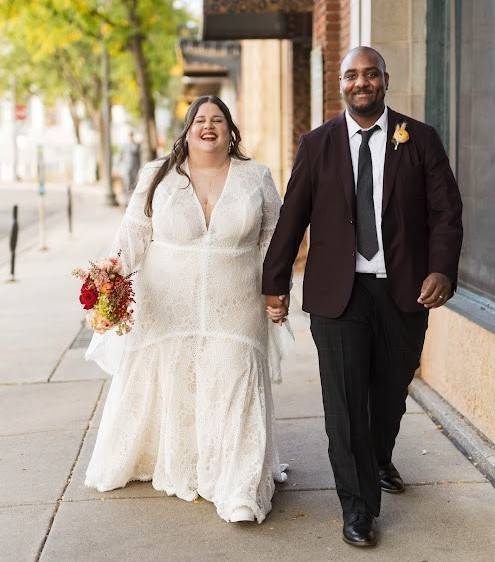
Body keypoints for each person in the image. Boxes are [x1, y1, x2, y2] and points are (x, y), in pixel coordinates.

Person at [262, 47, 463, 546]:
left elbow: (446, 213)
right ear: (341, 84)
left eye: (370, 74)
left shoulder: (420, 139)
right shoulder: (317, 144)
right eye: (351, 75)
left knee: (390, 392)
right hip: (338, 296)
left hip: (405, 291)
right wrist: (275, 282)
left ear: (384, 80)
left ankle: (376, 459)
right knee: (346, 403)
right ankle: (358, 508)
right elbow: (293, 217)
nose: (361, 83)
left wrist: (441, 269)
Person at [85, 95, 291, 523]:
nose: (208, 126)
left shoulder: (256, 177)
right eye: (200, 119)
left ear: (231, 131)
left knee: (233, 378)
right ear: (188, 128)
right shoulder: (158, 175)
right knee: (173, 379)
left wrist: (277, 289)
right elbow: (134, 233)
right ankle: (172, 460)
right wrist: (111, 274)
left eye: (218, 119)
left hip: (235, 304)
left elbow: (275, 238)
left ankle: (239, 487)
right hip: (168, 302)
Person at [120, 131, 141, 201]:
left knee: (134, 181)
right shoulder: (125, 145)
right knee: (127, 181)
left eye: (131, 136)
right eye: (129, 136)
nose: (130, 138)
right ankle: (126, 197)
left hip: (134, 166)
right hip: (126, 166)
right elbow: (121, 155)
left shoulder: (136, 145)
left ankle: (132, 197)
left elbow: (137, 153)